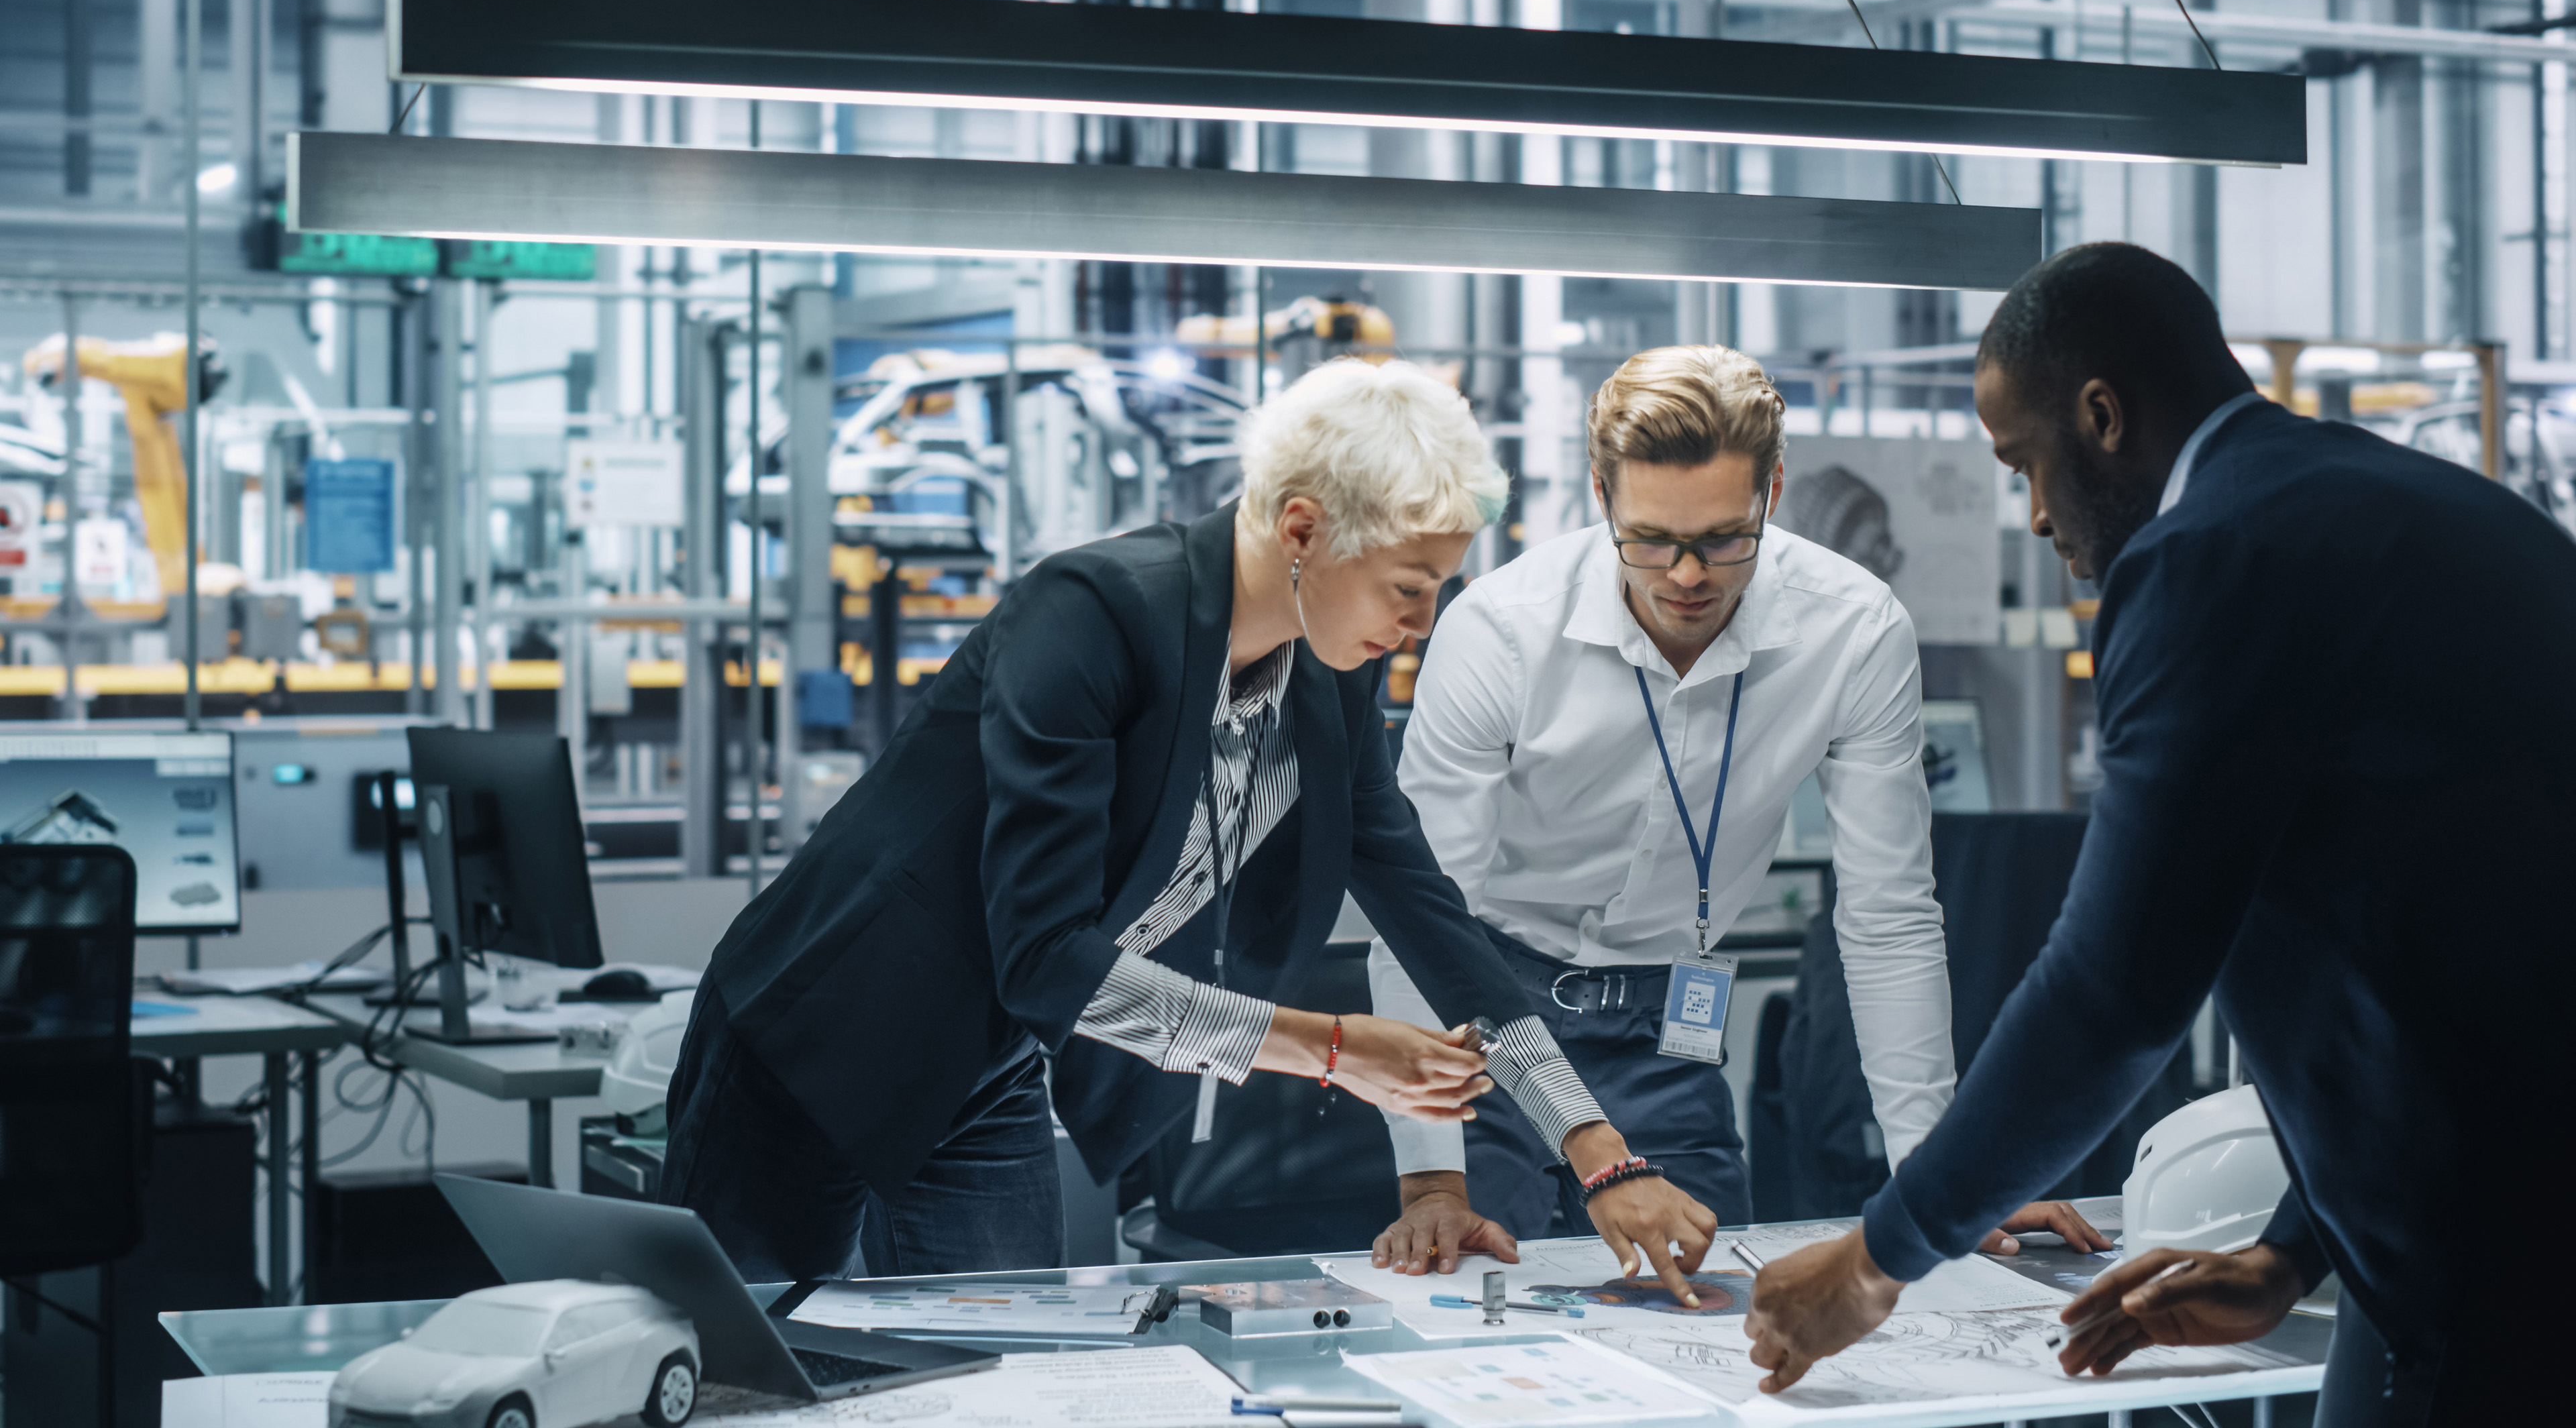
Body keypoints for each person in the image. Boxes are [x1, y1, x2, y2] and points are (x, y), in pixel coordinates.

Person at [660, 358, 1711, 1293]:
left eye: (1439, 587)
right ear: (1302, 529)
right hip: (819, 1039)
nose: (1423, 623)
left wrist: (1598, 1149)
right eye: (1408, 584)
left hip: (988, 1065)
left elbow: (1430, 915)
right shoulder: (1093, 614)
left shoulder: (1326, 677)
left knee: (1012, 1377)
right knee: (738, 1363)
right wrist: (1336, 1051)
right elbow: (1044, 958)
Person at [1740, 243, 2570, 1421]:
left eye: (2026, 461)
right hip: (2477, 1228)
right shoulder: (2399, 508)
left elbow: (2117, 987)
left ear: (2102, 415)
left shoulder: (2207, 557)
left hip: (2499, 1269)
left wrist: (1882, 1257)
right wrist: (2297, 1250)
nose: (2031, 514)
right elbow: (2442, 939)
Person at [1368, 345, 2098, 1276]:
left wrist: (1945, 1174)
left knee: (1708, 1318)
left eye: (1722, 538)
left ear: (1774, 491)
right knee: (1480, 1312)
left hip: (1673, 1027)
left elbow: (1887, 917)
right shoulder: (1501, 631)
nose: (1684, 574)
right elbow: (1422, 923)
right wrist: (1431, 1180)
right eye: (1649, 538)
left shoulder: (1854, 631)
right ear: (1600, 494)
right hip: (1484, 1027)